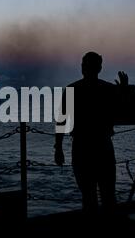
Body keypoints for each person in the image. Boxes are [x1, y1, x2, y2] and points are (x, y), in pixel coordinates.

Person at [54, 51, 128, 213]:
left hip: (82, 148)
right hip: (104, 147)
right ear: (100, 68)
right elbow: (122, 112)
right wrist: (123, 90)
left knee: (88, 197)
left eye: (83, 64)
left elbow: (61, 121)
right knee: (108, 195)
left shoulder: (72, 89)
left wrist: (58, 148)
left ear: (83, 68)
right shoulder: (109, 89)